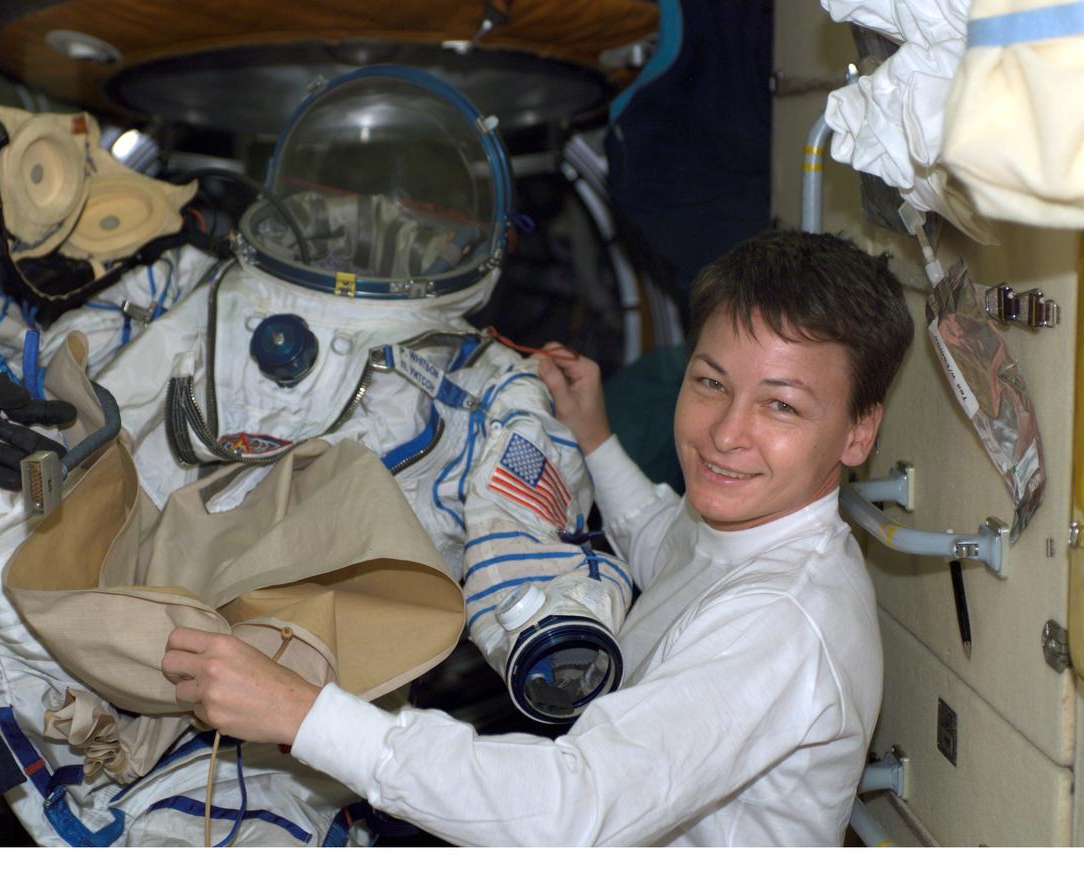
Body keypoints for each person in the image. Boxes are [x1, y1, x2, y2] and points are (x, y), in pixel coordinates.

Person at [161, 229, 915, 846]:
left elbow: (570, 810)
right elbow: (667, 545)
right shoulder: (751, 530)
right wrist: (595, 438)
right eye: (711, 382)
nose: (725, 433)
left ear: (858, 431)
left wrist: (304, 713)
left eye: (780, 406)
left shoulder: (781, 625)